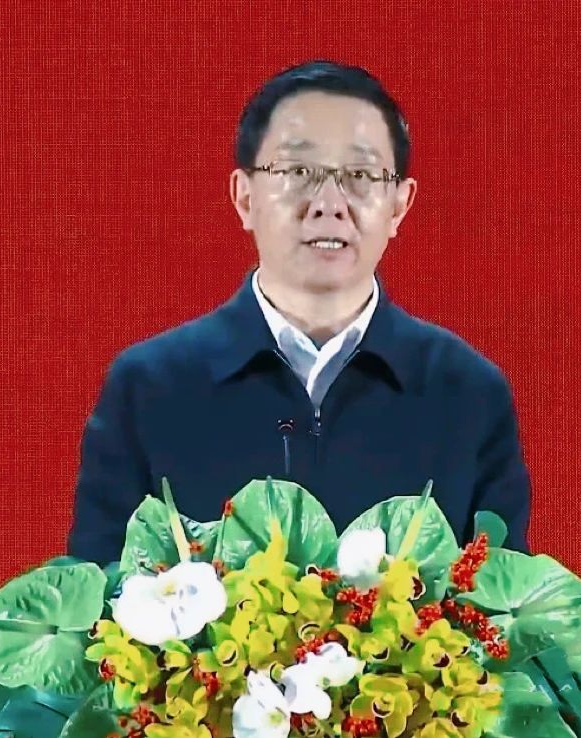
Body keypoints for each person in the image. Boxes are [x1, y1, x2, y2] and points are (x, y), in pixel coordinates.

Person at [66, 60, 532, 566]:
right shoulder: (149, 387)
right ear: (245, 197)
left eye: (360, 175)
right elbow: (96, 590)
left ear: (399, 206)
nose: (329, 203)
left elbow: (501, 599)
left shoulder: (467, 392)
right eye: (297, 172)